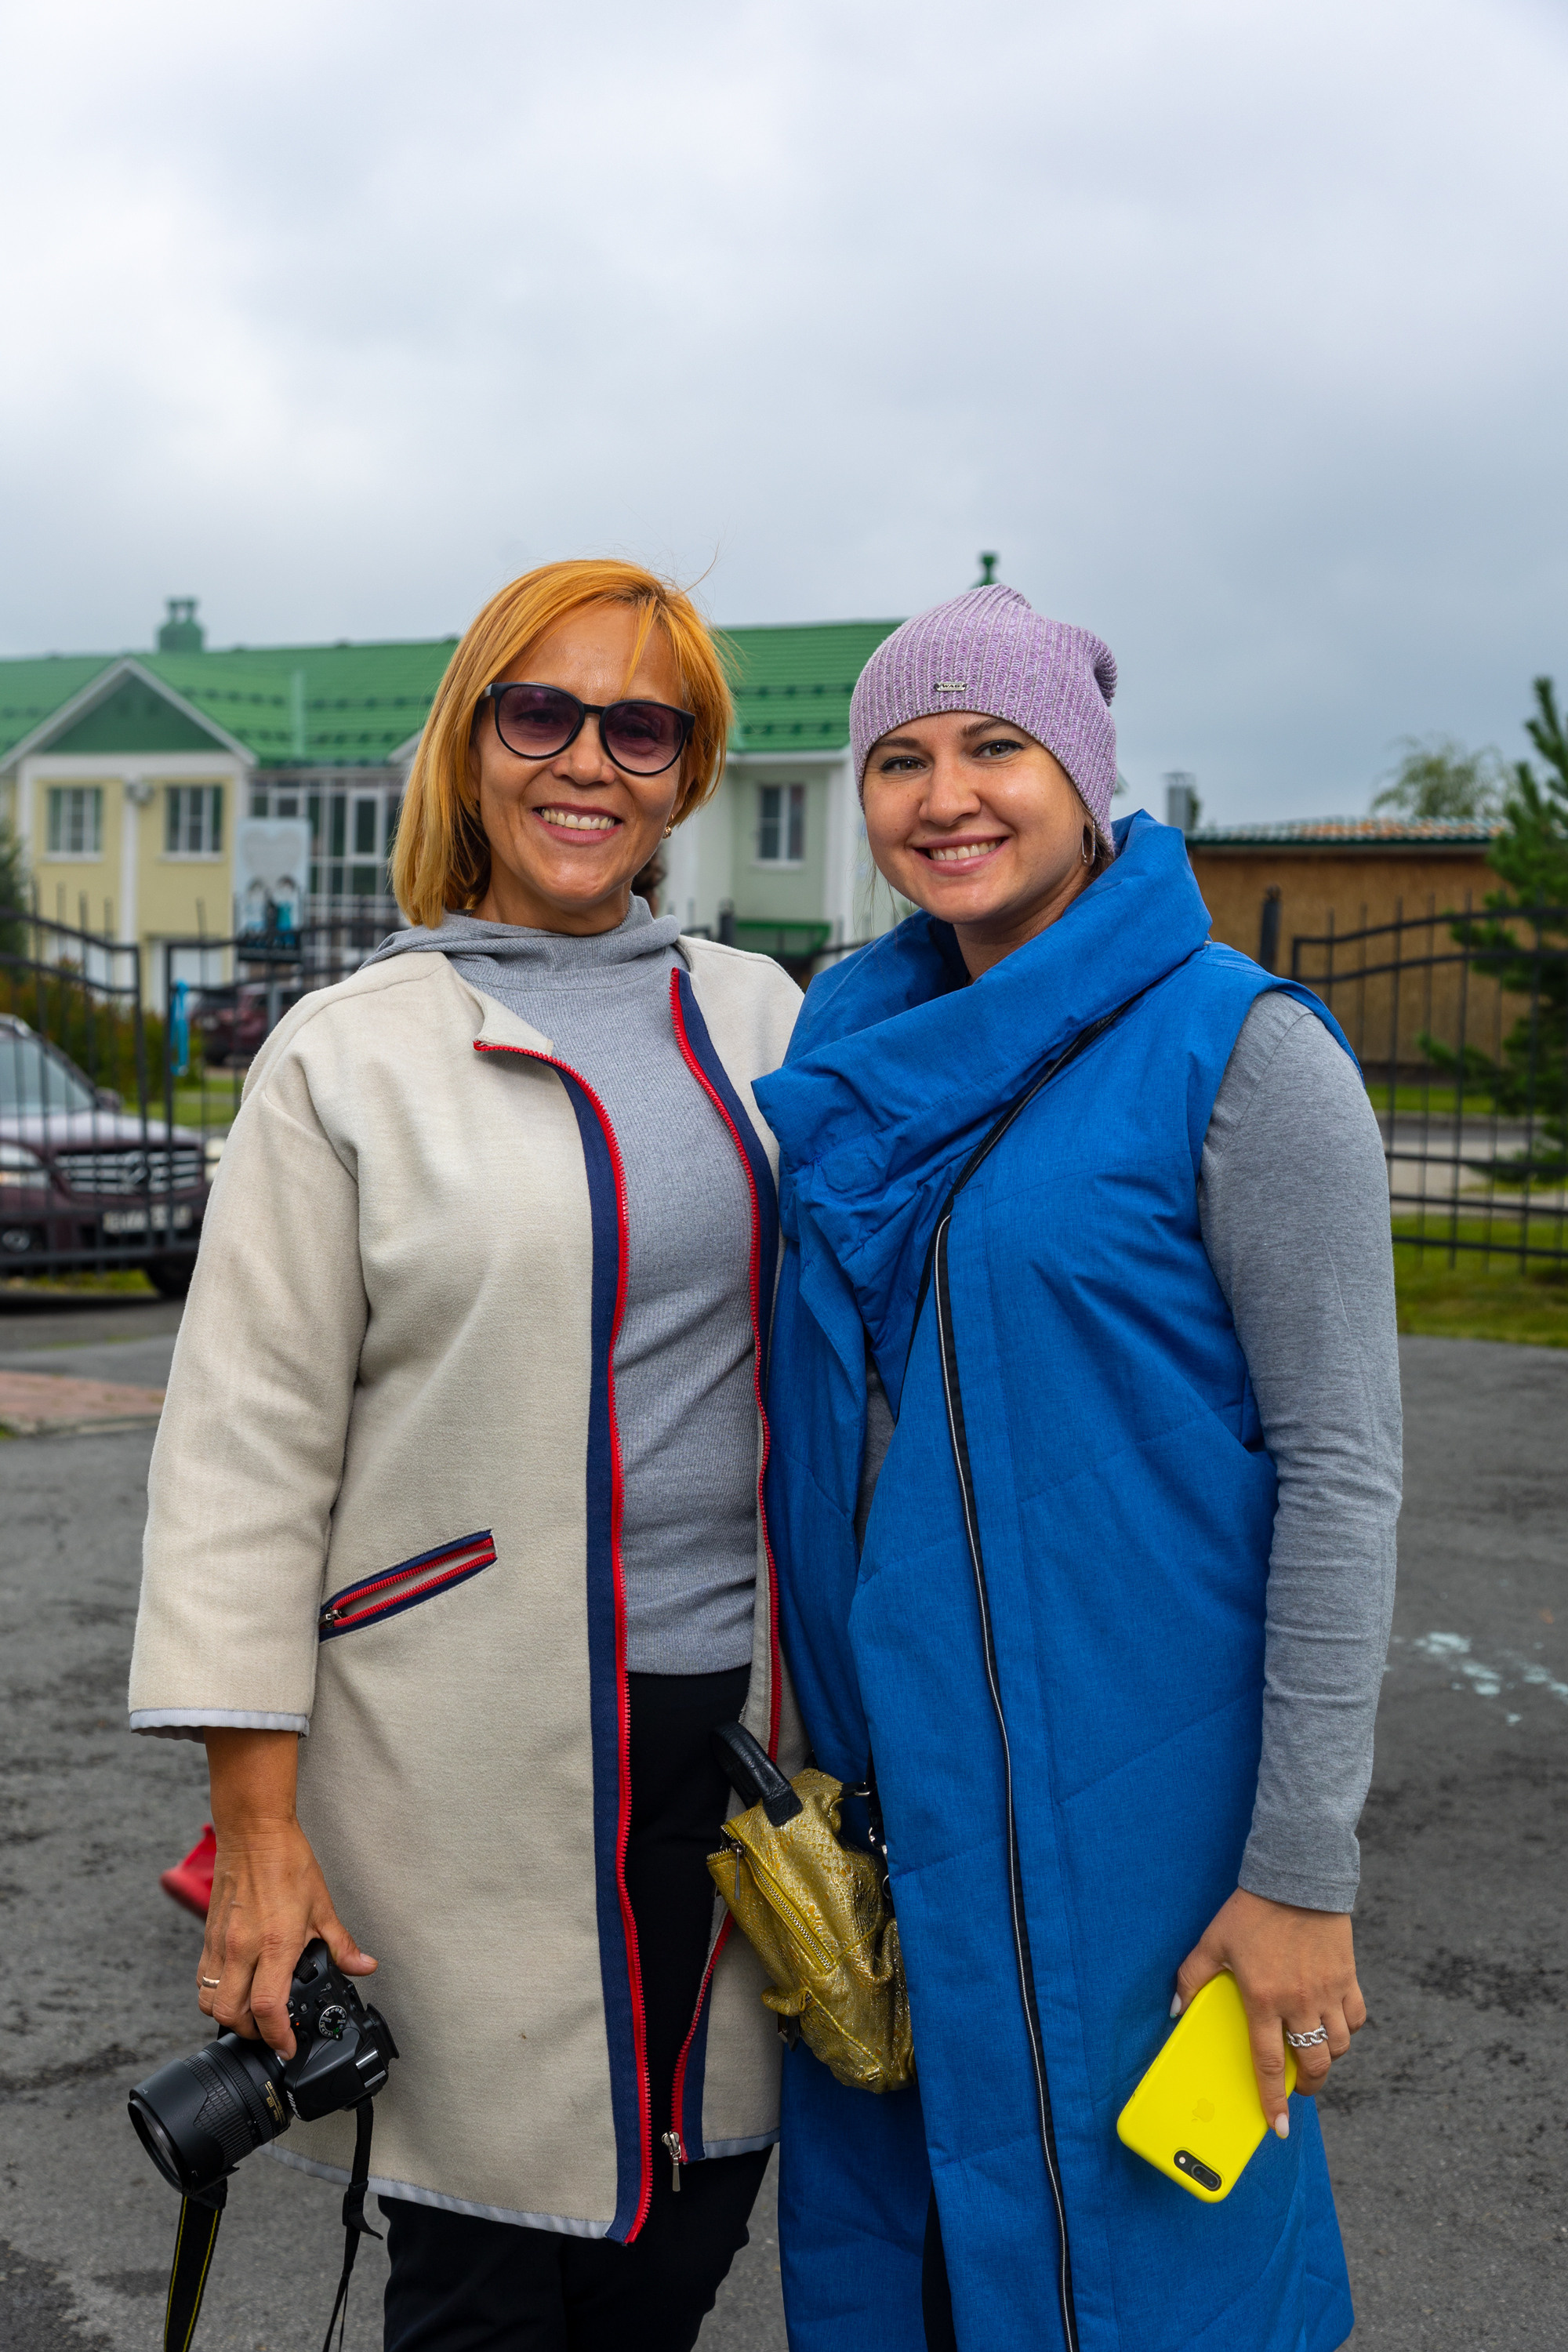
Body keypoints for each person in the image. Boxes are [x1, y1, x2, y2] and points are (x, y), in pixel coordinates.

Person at [128, 558, 805, 2352]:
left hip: (742, 1749)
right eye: (541, 712)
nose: (588, 759)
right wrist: (254, 1828)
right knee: (486, 2267)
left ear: (685, 774)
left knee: (685, 2225)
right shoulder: (346, 1061)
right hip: (456, 1761)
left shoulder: (772, 1028)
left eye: (640, 725)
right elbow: (241, 1461)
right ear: (472, 747)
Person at [752, 585, 1401, 2352]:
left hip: (1144, 1838)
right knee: (918, 2283)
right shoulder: (849, 1061)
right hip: (898, 1828)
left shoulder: (1234, 1048)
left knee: (1150, 2285)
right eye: (899, 759)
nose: (944, 795)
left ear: (1087, 778)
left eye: (993, 748)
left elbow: (1343, 1477)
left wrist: (1300, 1874)